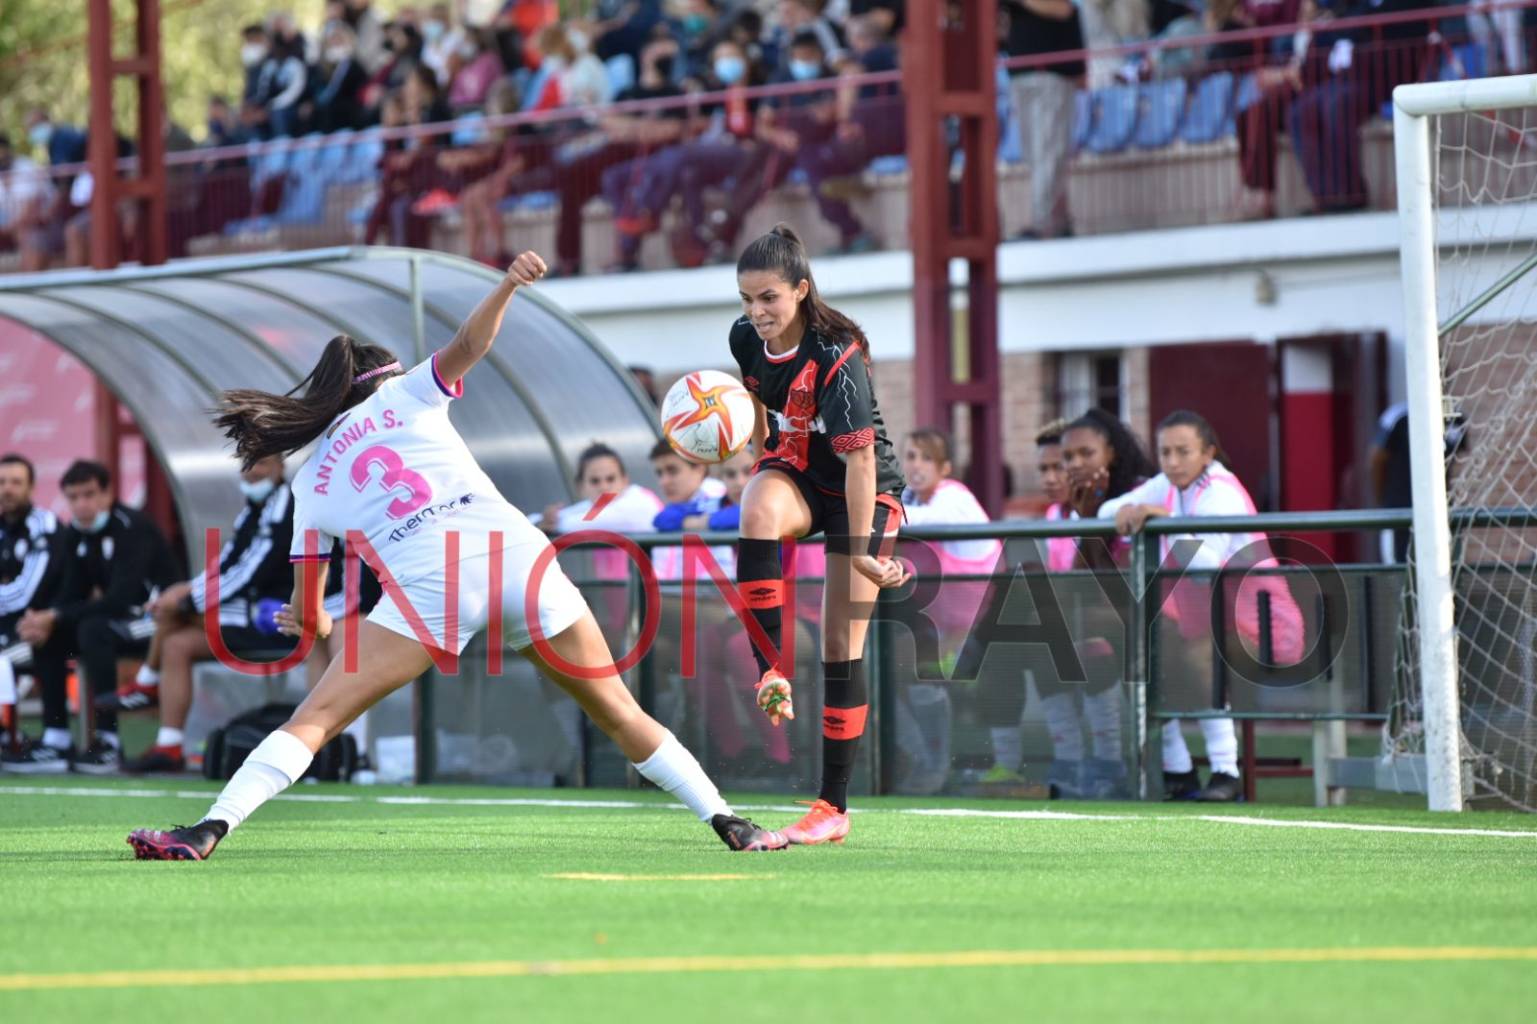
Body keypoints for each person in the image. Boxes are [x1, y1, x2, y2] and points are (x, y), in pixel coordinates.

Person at [128, 253, 785, 859]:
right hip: (519, 562)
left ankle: (210, 827)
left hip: (432, 588)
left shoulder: (307, 482)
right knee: (620, 713)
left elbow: (310, 615)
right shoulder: (405, 395)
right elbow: (471, 345)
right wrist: (506, 285)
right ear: (378, 379)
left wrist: (309, 622)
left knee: (317, 719)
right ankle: (727, 820)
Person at [728, 224, 909, 845]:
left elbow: (860, 462)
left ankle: (833, 808)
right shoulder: (744, 339)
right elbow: (756, 405)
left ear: (801, 291)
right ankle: (769, 671)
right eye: (748, 299)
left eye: (769, 298)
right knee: (755, 507)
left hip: (865, 491)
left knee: (840, 640)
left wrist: (860, 554)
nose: (757, 312)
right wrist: (757, 457)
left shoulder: (839, 349)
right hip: (803, 469)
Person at [1100, 409, 1305, 802]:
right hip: (1206, 624)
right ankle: (1178, 770)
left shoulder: (1220, 492)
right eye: (1165, 453)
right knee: (1138, 651)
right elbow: (1106, 512)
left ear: (1207, 453)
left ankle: (1226, 772)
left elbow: (1205, 567)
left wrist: (1166, 520)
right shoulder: (1169, 485)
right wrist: (1127, 512)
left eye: (1184, 451)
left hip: (1265, 626)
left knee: (1192, 655)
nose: (1173, 462)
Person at [101, 456, 300, 774]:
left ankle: (146, 683)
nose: (251, 472)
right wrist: (184, 590)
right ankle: (169, 746)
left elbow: (251, 572)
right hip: (247, 612)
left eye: (260, 464)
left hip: (276, 617)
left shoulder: (284, 506)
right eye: (247, 464)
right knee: (175, 645)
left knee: (172, 614)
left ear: (280, 466)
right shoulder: (255, 507)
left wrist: (188, 600)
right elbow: (224, 563)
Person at [4, 460, 178, 773]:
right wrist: (46, 619)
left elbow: (119, 600)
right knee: (52, 634)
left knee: (93, 629)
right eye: (74, 497)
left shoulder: (132, 527)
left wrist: (54, 614)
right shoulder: (75, 533)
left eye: (89, 495)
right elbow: (71, 592)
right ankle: (56, 738)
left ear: (108, 494)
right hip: (117, 621)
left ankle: (108, 741)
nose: (82, 505)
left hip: (159, 620)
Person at [1046, 408, 1157, 797]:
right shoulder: (1085, 502)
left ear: (1111, 453)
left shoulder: (1141, 493)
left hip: (1159, 615)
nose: (1075, 465)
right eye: (1068, 459)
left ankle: (1111, 762)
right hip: (1112, 618)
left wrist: (1094, 517)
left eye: (1086, 454)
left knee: (1090, 634)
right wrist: (1086, 519)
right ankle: (1073, 760)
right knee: (1045, 635)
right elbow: (1082, 584)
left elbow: (1121, 589)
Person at [897, 428, 1003, 793]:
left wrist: (864, 508)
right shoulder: (910, 498)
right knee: (885, 669)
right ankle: (921, 757)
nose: (916, 465)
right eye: (911, 456)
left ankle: (935, 765)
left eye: (927, 458)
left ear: (945, 468)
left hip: (975, 625)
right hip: (936, 622)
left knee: (917, 672)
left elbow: (911, 522)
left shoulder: (953, 497)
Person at [1002, 0, 1085, 241]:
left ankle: (1043, 223)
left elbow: (1063, 8)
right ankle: (1058, 221)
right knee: (1035, 153)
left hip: (1050, 76)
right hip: (1022, 76)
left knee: (1048, 150)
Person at [0, 454, 60, 728]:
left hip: (39, 625)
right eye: (1, 482)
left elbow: (26, 592)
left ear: (31, 487)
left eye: (16, 482)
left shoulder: (43, 525)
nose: (8, 489)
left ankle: (13, 734)